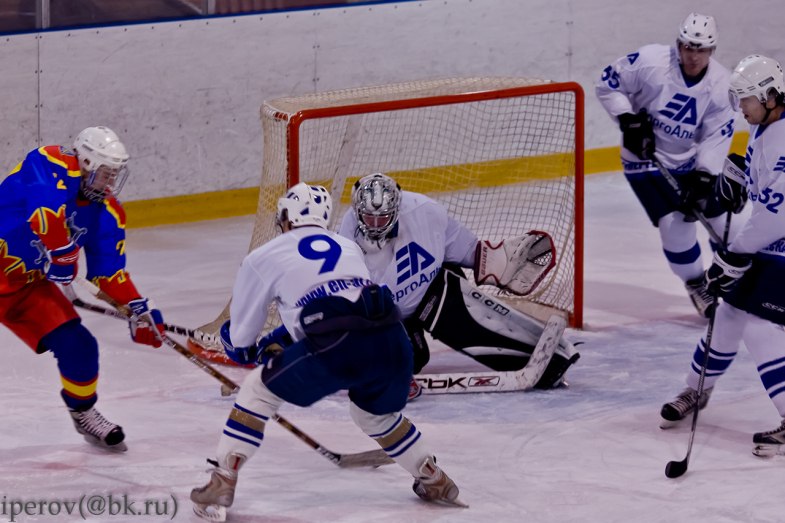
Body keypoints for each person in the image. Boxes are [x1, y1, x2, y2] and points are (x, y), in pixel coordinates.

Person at [191, 183, 464, 521]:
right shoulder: (349, 246)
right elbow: (342, 304)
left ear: (285, 218)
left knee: (257, 391)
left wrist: (239, 345)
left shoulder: (263, 256)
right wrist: (281, 342)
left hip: (339, 341)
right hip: (393, 339)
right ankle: (433, 476)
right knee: (373, 415)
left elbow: (243, 343)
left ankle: (222, 478)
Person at [336, 173, 580, 399]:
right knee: (412, 360)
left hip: (433, 295)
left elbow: (472, 252)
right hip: (391, 320)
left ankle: (552, 360)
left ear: (397, 209)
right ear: (357, 212)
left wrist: (498, 263)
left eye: (384, 217)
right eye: (370, 217)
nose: (377, 225)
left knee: (471, 313)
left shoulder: (426, 213)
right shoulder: (344, 245)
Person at [0, 126, 166, 452]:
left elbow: (109, 274)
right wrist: (63, 253)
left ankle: (83, 411)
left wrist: (138, 307)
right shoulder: (48, 163)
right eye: (105, 174)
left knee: (80, 346)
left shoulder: (108, 214)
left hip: (23, 286)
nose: (109, 184)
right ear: (85, 163)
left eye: (115, 176)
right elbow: (44, 214)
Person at [660, 55, 785, 457]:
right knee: (730, 312)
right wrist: (735, 178)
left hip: (777, 245)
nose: (741, 107)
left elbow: (778, 214)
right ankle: (695, 390)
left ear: (770, 96)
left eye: (746, 99)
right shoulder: (765, 128)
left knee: (760, 325)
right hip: (772, 245)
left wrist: (733, 255)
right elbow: (760, 187)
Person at [596, 12, 737, 318]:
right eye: (688, 47)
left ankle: (734, 279)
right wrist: (628, 119)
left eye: (701, 49)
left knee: (726, 220)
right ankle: (696, 283)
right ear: (678, 44)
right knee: (677, 226)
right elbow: (607, 83)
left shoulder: (721, 85)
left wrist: (704, 175)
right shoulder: (651, 62)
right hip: (643, 163)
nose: (693, 56)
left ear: (712, 51)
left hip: (687, 160)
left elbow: (715, 135)